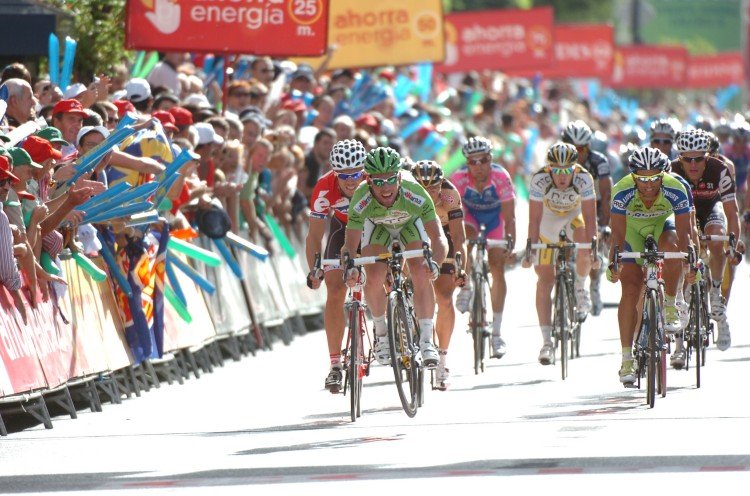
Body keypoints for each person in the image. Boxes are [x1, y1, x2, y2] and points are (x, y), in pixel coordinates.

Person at [342, 147, 448, 369]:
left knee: (421, 271)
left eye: (391, 180)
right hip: (378, 227)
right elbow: (349, 247)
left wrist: (435, 263)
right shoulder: (361, 198)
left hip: (410, 224)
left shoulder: (414, 192)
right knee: (373, 277)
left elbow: (439, 238)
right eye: (378, 182)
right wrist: (349, 269)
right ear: (368, 181)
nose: (386, 188)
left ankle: (426, 340)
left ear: (399, 177)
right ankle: (382, 335)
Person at [607, 147, 693, 385]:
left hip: (662, 226)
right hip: (632, 232)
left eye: (655, 178)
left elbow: (685, 234)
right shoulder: (622, 190)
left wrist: (691, 263)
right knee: (630, 289)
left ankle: (670, 304)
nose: (648, 184)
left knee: (672, 245)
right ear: (633, 176)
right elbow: (617, 235)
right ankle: (627, 359)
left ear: (663, 174)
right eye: (642, 179)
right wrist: (614, 261)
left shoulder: (676, 188)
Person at [522, 142, 598, 365]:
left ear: (575, 168)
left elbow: (590, 218)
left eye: (567, 170)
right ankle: (547, 342)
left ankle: (580, 287)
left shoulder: (584, 178)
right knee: (545, 280)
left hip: (573, 218)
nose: (562, 176)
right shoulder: (539, 179)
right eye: (556, 170)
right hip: (548, 222)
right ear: (549, 168)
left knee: (584, 241)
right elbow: (534, 219)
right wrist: (530, 250)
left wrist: (593, 251)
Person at [670, 130, 744, 353]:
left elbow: (732, 212)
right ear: (680, 158)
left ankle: (716, 294)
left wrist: (732, 244)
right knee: (681, 247)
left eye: (699, 158)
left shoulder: (719, 169)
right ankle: (679, 317)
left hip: (711, 209)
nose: (693, 164)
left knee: (717, 236)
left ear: (708, 157)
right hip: (685, 213)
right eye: (687, 159)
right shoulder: (671, 171)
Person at [305, 139, 368, 393]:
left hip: (373, 228)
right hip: (342, 229)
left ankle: (390, 328)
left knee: (381, 276)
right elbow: (314, 235)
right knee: (334, 289)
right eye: (344, 176)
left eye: (356, 174)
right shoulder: (324, 187)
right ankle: (335, 365)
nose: (351, 182)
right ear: (335, 173)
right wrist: (314, 268)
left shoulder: (374, 181)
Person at [452, 136, 515, 359]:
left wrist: (510, 241)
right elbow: (453, 217)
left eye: (484, 160)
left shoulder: (501, 177)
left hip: (495, 219)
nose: (478, 166)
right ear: (467, 163)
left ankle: (496, 333)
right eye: (473, 162)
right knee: (465, 238)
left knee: (497, 266)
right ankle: (467, 286)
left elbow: (510, 216)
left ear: (491, 159)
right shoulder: (458, 179)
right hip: (470, 217)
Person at [410, 160, 466, 389]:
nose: (428, 193)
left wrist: (461, 267)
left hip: (444, 234)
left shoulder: (450, 195)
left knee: (443, 296)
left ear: (441, 184)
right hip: (415, 233)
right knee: (412, 285)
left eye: (433, 188)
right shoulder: (405, 194)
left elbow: (459, 236)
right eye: (422, 188)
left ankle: (443, 360)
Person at [561, 120, 611, 317]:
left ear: (589, 147)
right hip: (565, 208)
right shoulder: (555, 160)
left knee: (591, 247)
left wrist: (604, 224)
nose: (577, 153)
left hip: (592, 206)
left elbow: (606, 196)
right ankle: (563, 281)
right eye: (573, 148)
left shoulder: (599, 162)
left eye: (582, 149)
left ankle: (594, 285)